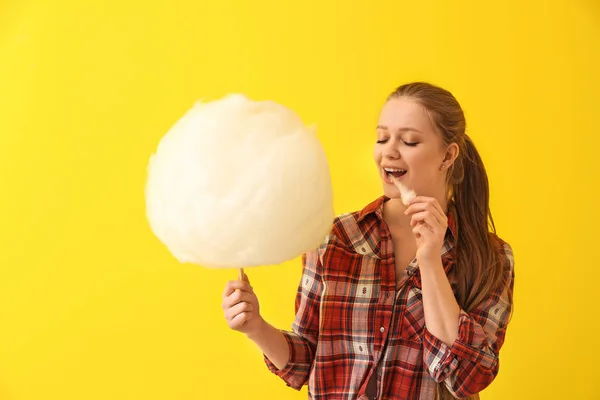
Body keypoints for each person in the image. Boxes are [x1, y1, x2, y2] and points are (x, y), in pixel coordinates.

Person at [221, 82, 515, 400]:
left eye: (409, 141)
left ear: (448, 155)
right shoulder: (334, 239)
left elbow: (468, 377)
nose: (388, 151)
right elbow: (306, 361)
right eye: (382, 137)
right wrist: (255, 327)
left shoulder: (491, 258)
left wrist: (430, 262)